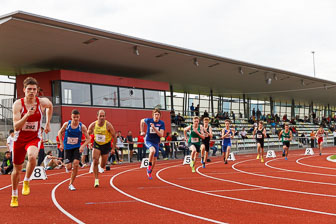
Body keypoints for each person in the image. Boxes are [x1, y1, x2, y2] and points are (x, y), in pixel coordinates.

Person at [10, 77, 53, 208]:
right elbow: (16, 127)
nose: (32, 92)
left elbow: (50, 106)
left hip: (34, 137)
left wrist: (47, 122)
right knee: (16, 170)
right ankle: (14, 195)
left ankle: (27, 181)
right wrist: (27, 115)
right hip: (19, 139)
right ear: (24, 90)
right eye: (29, 89)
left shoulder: (41, 102)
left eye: (34, 89)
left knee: (32, 157)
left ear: (37, 91)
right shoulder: (18, 104)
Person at [58, 109, 90, 190]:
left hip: (76, 147)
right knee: (68, 167)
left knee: (76, 164)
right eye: (74, 117)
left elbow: (88, 138)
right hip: (67, 147)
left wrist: (83, 146)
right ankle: (66, 165)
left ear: (79, 117)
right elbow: (59, 133)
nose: (75, 119)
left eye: (77, 117)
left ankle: (71, 184)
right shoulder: (66, 124)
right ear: (71, 117)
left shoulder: (82, 126)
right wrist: (61, 143)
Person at [88, 110, 116, 187]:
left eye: (103, 116)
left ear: (105, 117)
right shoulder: (93, 125)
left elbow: (114, 136)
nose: (102, 117)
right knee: (95, 160)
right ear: (97, 117)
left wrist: (113, 148)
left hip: (106, 145)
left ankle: (101, 159)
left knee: (102, 165)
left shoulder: (108, 125)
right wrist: (89, 143)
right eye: (100, 116)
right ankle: (96, 180)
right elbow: (88, 134)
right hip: (97, 144)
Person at [140, 109, 165, 179]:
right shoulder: (149, 120)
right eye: (155, 114)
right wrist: (142, 131)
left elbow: (161, 135)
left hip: (156, 142)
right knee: (152, 151)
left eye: (158, 114)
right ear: (153, 115)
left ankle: (150, 172)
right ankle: (148, 166)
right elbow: (141, 121)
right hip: (148, 140)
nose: (156, 116)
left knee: (155, 159)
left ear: (160, 116)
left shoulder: (161, 123)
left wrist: (154, 128)